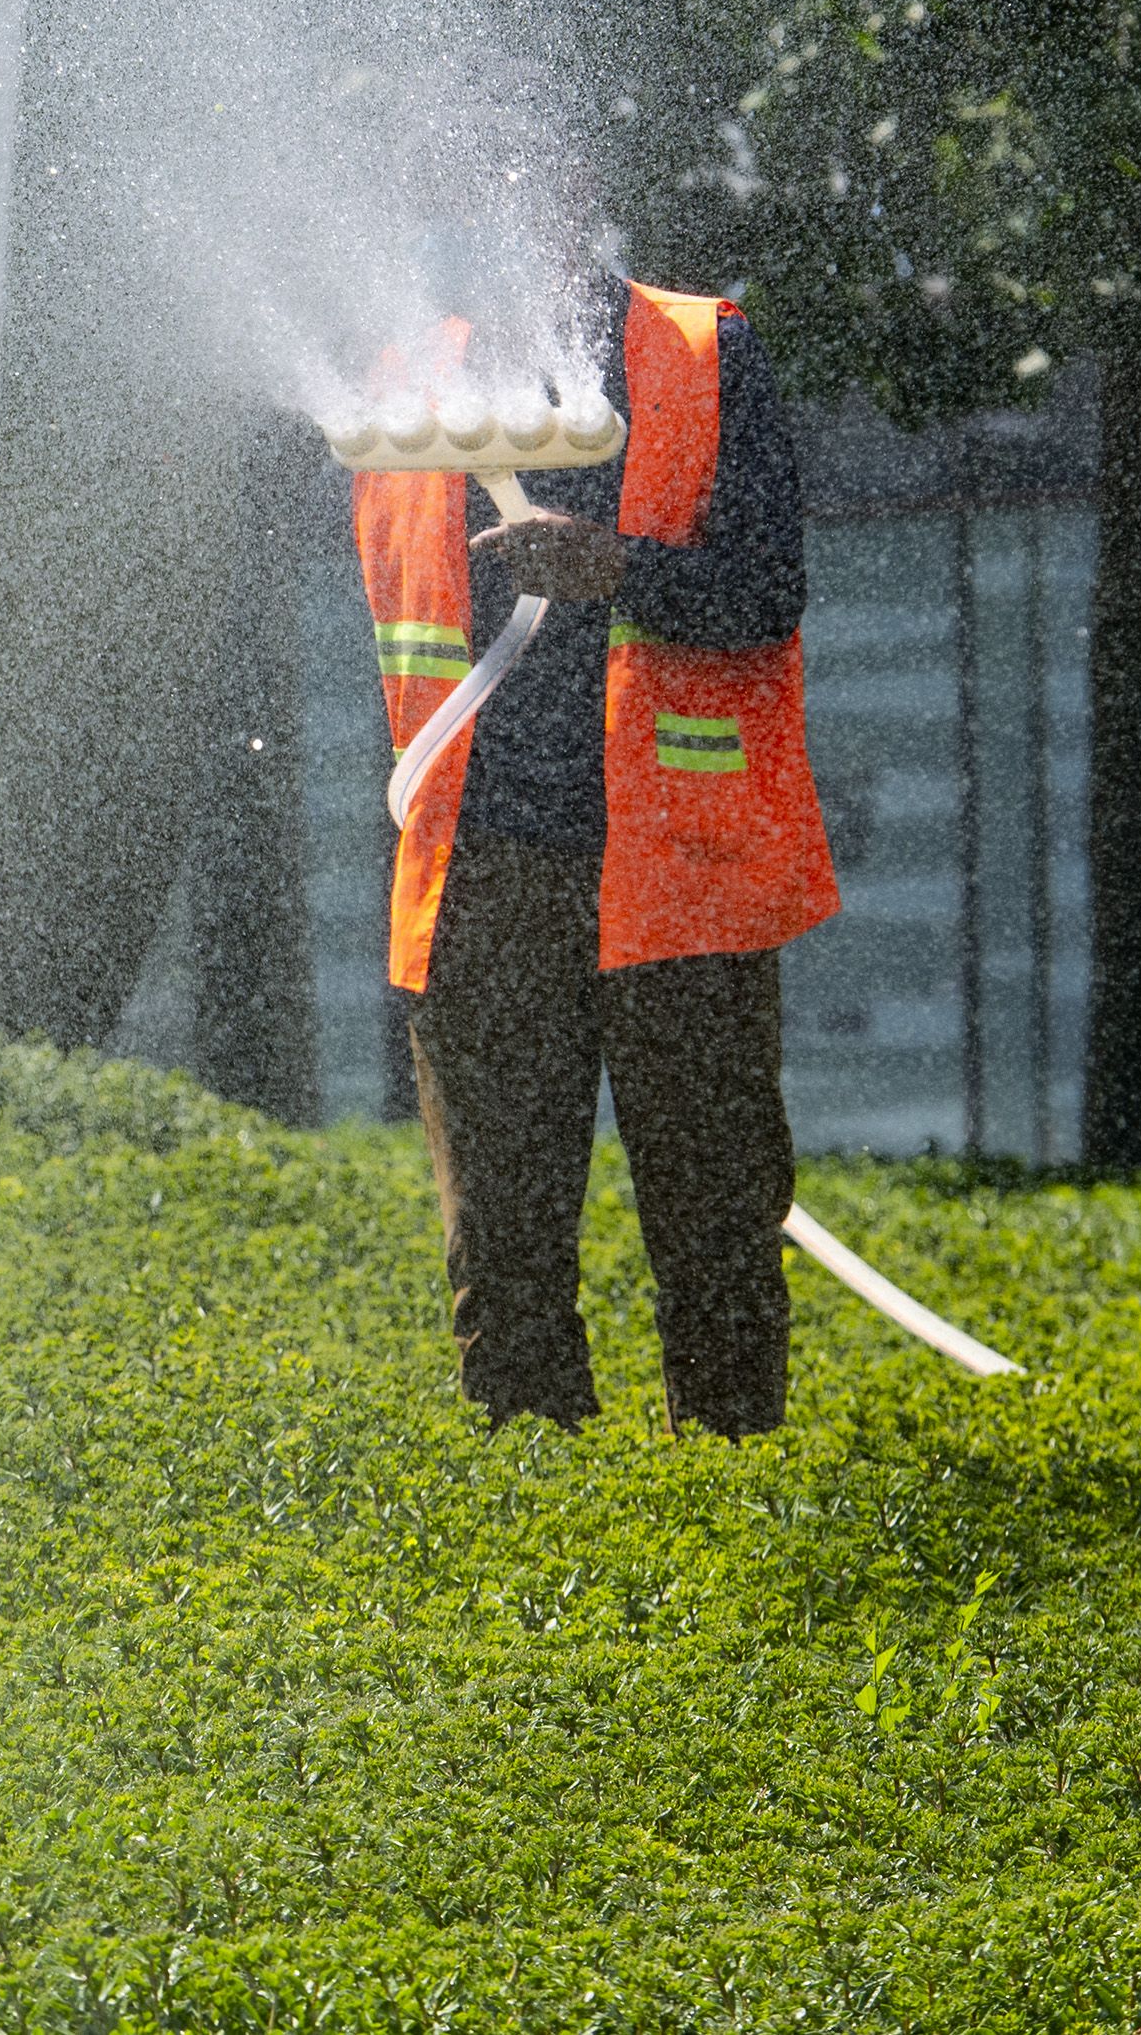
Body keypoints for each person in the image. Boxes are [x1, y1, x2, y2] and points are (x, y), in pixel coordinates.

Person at [352, 256, 839, 1436]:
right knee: (503, 1249)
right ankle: (541, 1506)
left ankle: (731, 1497)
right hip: (484, 876)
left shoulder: (703, 356)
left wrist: (615, 569)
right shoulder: (403, 390)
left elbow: (767, 588)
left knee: (717, 1235)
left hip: (678, 873)